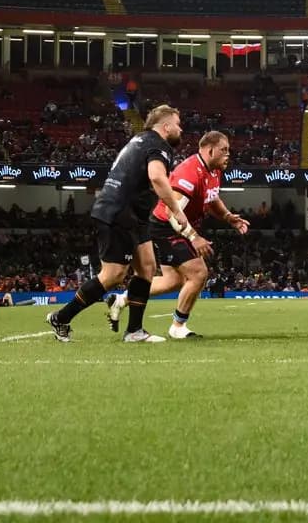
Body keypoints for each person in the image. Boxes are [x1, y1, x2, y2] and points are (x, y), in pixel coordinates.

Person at [47, 105, 190, 344]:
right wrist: (176, 210)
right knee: (113, 275)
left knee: (146, 267)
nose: (181, 128)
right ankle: (61, 317)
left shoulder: (140, 140)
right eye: (178, 123)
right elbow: (156, 176)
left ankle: (134, 331)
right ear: (166, 127)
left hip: (131, 214)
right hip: (119, 212)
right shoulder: (158, 145)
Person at [129, 130, 250, 340]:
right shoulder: (189, 172)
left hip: (180, 225)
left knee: (172, 281)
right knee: (198, 273)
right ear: (210, 150)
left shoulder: (213, 170)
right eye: (224, 150)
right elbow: (172, 213)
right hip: (166, 225)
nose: (228, 154)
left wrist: (228, 217)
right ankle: (178, 326)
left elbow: (212, 199)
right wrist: (194, 237)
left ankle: (122, 299)